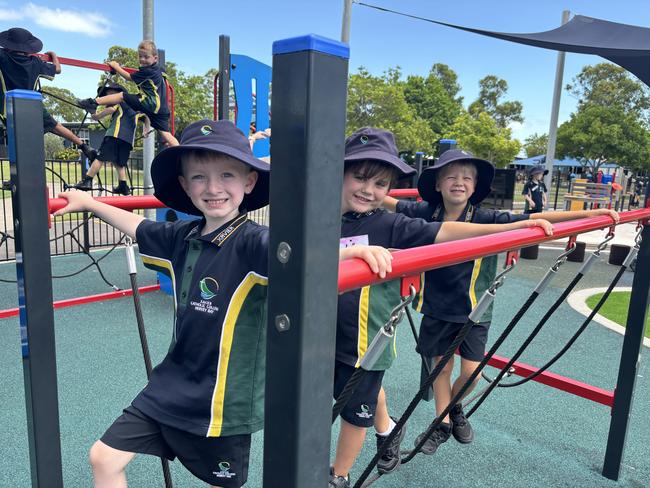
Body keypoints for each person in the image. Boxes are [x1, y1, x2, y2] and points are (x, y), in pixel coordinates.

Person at [56, 119, 386, 487]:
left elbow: (299, 251)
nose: (213, 188)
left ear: (248, 182)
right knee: (103, 457)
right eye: (199, 177)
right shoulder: (183, 235)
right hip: (171, 383)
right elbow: (138, 226)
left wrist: (356, 250)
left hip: (222, 400)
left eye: (227, 175)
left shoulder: (253, 242)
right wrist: (90, 202)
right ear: (184, 184)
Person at [330, 130, 554, 488]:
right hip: (323, 329)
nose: (368, 189)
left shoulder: (393, 223)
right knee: (356, 388)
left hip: (368, 335)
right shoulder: (321, 216)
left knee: (357, 405)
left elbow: (445, 231)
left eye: (380, 183)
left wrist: (520, 226)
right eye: (359, 177)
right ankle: (387, 431)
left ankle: (338, 476)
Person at [382, 149, 619, 459]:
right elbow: (388, 201)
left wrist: (586, 215)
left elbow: (533, 218)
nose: (459, 182)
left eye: (467, 178)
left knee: (473, 371)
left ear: (475, 186)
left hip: (475, 308)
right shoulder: (425, 213)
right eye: (451, 177)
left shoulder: (485, 217)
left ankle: (454, 408)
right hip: (435, 305)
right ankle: (441, 423)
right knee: (441, 367)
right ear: (438, 184)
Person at [0, 27, 98, 161]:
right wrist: (54, 56)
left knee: (18, 138)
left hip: (8, 107)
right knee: (55, 126)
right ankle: (82, 145)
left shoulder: (2, 57)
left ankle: (21, 173)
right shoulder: (35, 62)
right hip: (32, 105)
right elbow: (57, 69)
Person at [77, 40, 178, 147]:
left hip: (149, 102)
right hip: (162, 109)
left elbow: (128, 77)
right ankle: (180, 152)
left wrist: (116, 66)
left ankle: (93, 103)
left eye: (146, 57)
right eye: (140, 56)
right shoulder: (159, 70)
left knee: (121, 96)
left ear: (155, 58)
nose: (142, 60)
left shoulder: (146, 72)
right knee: (166, 134)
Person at [75, 83, 138, 195]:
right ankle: (123, 186)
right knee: (119, 162)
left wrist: (97, 116)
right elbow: (146, 117)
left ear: (116, 94)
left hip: (115, 134)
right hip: (128, 140)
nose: (107, 97)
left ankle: (88, 180)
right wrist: (146, 129)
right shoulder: (135, 107)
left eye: (109, 94)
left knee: (100, 157)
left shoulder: (119, 101)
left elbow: (111, 110)